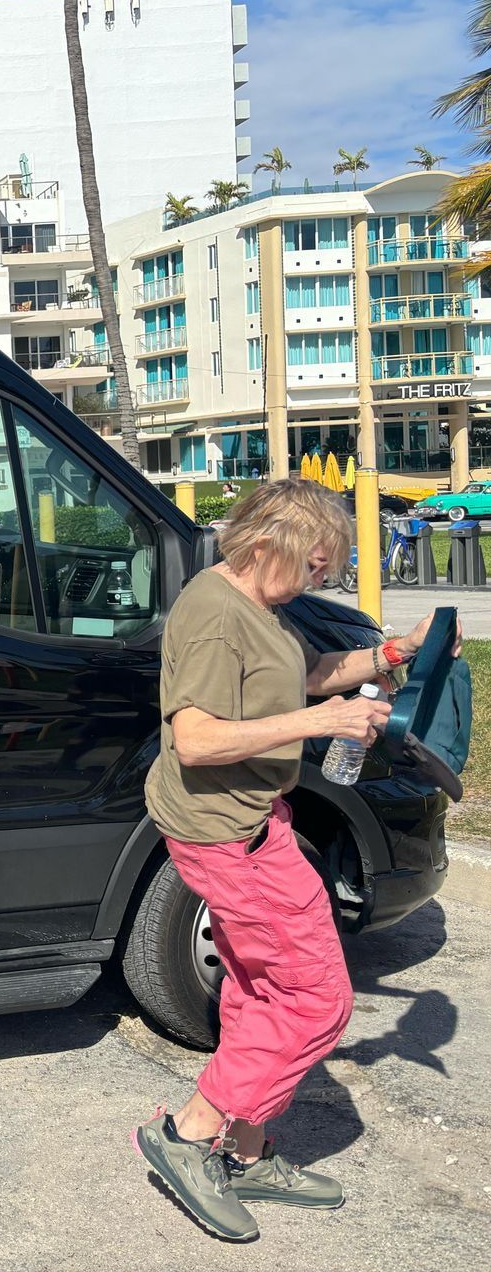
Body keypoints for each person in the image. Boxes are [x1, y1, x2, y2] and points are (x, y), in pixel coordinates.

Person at [132, 477, 455, 1241]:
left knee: (262, 987)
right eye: (314, 566)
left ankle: (244, 1153)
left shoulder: (253, 604)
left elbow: (296, 678)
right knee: (316, 1003)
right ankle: (188, 1132)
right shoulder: (214, 617)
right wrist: (324, 721)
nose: (319, 580)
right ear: (273, 544)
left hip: (251, 821)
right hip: (227, 832)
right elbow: (198, 739)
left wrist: (386, 654)